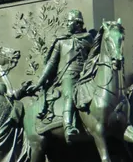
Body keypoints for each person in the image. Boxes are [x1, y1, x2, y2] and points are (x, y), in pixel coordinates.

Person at [24, 8, 96, 142]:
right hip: (68, 76)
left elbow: (94, 57)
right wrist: (39, 83)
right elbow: (51, 65)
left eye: (70, 22)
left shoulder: (88, 39)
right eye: (67, 21)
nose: (67, 24)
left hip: (86, 76)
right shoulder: (61, 41)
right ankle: (68, 126)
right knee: (69, 95)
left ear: (78, 24)